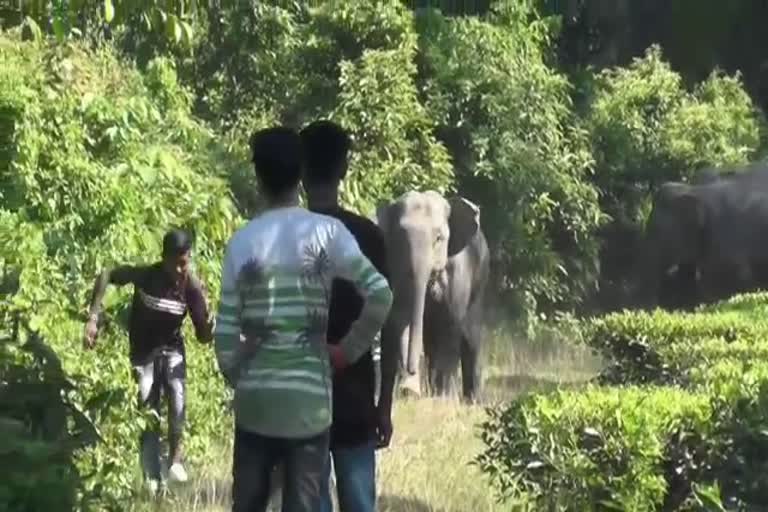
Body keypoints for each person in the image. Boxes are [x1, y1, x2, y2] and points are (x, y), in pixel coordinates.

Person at [213, 126, 393, 512]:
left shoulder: (242, 242)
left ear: (258, 178)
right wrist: (347, 352)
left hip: (257, 405)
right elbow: (380, 296)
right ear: (300, 174)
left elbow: (225, 341)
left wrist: (242, 375)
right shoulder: (332, 234)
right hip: (314, 406)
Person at [299, 119, 399, 512]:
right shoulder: (366, 235)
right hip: (354, 396)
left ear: (301, 171)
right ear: (344, 169)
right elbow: (389, 322)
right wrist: (385, 402)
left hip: (300, 399)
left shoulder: (283, 236)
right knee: (359, 501)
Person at [83, 228, 214, 492]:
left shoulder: (191, 285)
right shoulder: (146, 275)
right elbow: (107, 274)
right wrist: (93, 317)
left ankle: (176, 460)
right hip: (143, 351)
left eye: (185, 262)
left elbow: (202, 336)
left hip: (172, 349)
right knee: (147, 406)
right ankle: (153, 480)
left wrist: (210, 325)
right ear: (164, 259)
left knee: (177, 398)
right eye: (176, 263)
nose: (181, 269)